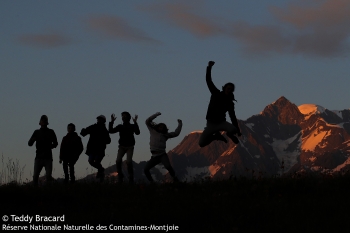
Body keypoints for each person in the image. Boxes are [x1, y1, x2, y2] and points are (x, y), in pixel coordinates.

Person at [198, 61, 242, 148]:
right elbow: (208, 81)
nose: (229, 90)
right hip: (210, 123)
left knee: (233, 129)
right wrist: (209, 67)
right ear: (224, 88)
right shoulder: (215, 93)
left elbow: (232, 116)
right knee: (201, 143)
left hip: (221, 122)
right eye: (228, 88)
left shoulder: (230, 103)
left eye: (231, 90)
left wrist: (238, 130)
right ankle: (215, 137)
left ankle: (230, 135)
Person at [144, 112, 182, 183]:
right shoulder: (153, 131)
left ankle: (175, 178)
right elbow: (147, 121)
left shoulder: (165, 135)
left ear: (164, 129)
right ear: (157, 127)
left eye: (163, 128)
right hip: (154, 156)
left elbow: (176, 133)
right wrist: (156, 114)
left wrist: (180, 124)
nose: (161, 128)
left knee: (168, 166)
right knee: (146, 169)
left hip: (162, 155)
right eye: (160, 127)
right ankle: (152, 182)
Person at [109, 112, 140, 183]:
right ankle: (120, 175)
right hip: (122, 147)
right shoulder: (120, 126)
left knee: (129, 161)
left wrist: (135, 123)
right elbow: (111, 131)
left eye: (125, 116)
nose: (124, 117)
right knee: (118, 161)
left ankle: (130, 176)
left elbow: (137, 132)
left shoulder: (132, 126)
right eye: (123, 116)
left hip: (130, 147)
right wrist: (112, 122)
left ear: (128, 118)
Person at [28, 115, 58, 185]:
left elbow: (56, 143)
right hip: (39, 157)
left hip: (48, 157)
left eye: (45, 120)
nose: (44, 122)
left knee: (48, 176)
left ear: (47, 122)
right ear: (40, 122)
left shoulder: (51, 132)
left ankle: (47, 191)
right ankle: (35, 191)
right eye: (42, 120)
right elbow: (29, 143)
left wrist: (51, 146)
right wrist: (32, 140)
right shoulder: (36, 132)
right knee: (35, 176)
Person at [80, 115, 111, 181]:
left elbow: (108, 140)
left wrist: (103, 141)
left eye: (100, 119)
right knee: (90, 161)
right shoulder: (93, 127)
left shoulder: (104, 130)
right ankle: (101, 170)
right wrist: (83, 131)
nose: (99, 121)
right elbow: (85, 132)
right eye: (98, 119)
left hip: (100, 150)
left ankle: (101, 173)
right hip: (92, 149)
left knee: (96, 161)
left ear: (103, 121)